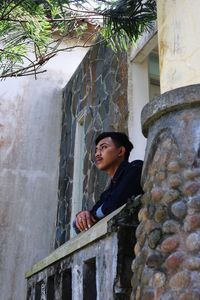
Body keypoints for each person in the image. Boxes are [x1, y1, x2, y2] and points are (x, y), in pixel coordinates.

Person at [74, 132, 143, 233]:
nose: (97, 153)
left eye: (104, 147)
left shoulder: (135, 167)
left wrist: (93, 215)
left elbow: (115, 203)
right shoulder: (107, 192)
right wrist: (82, 216)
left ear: (120, 151)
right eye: (96, 150)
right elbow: (80, 226)